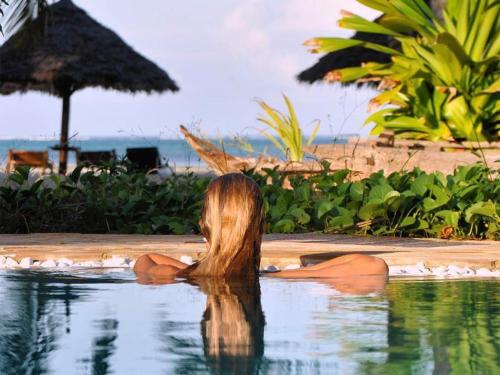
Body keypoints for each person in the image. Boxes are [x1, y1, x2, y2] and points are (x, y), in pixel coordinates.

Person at [133, 173, 388, 280]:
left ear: (203, 227)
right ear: (262, 227)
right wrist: (295, 275)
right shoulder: (268, 280)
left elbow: (145, 260)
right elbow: (375, 266)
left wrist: (189, 272)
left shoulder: (183, 275)